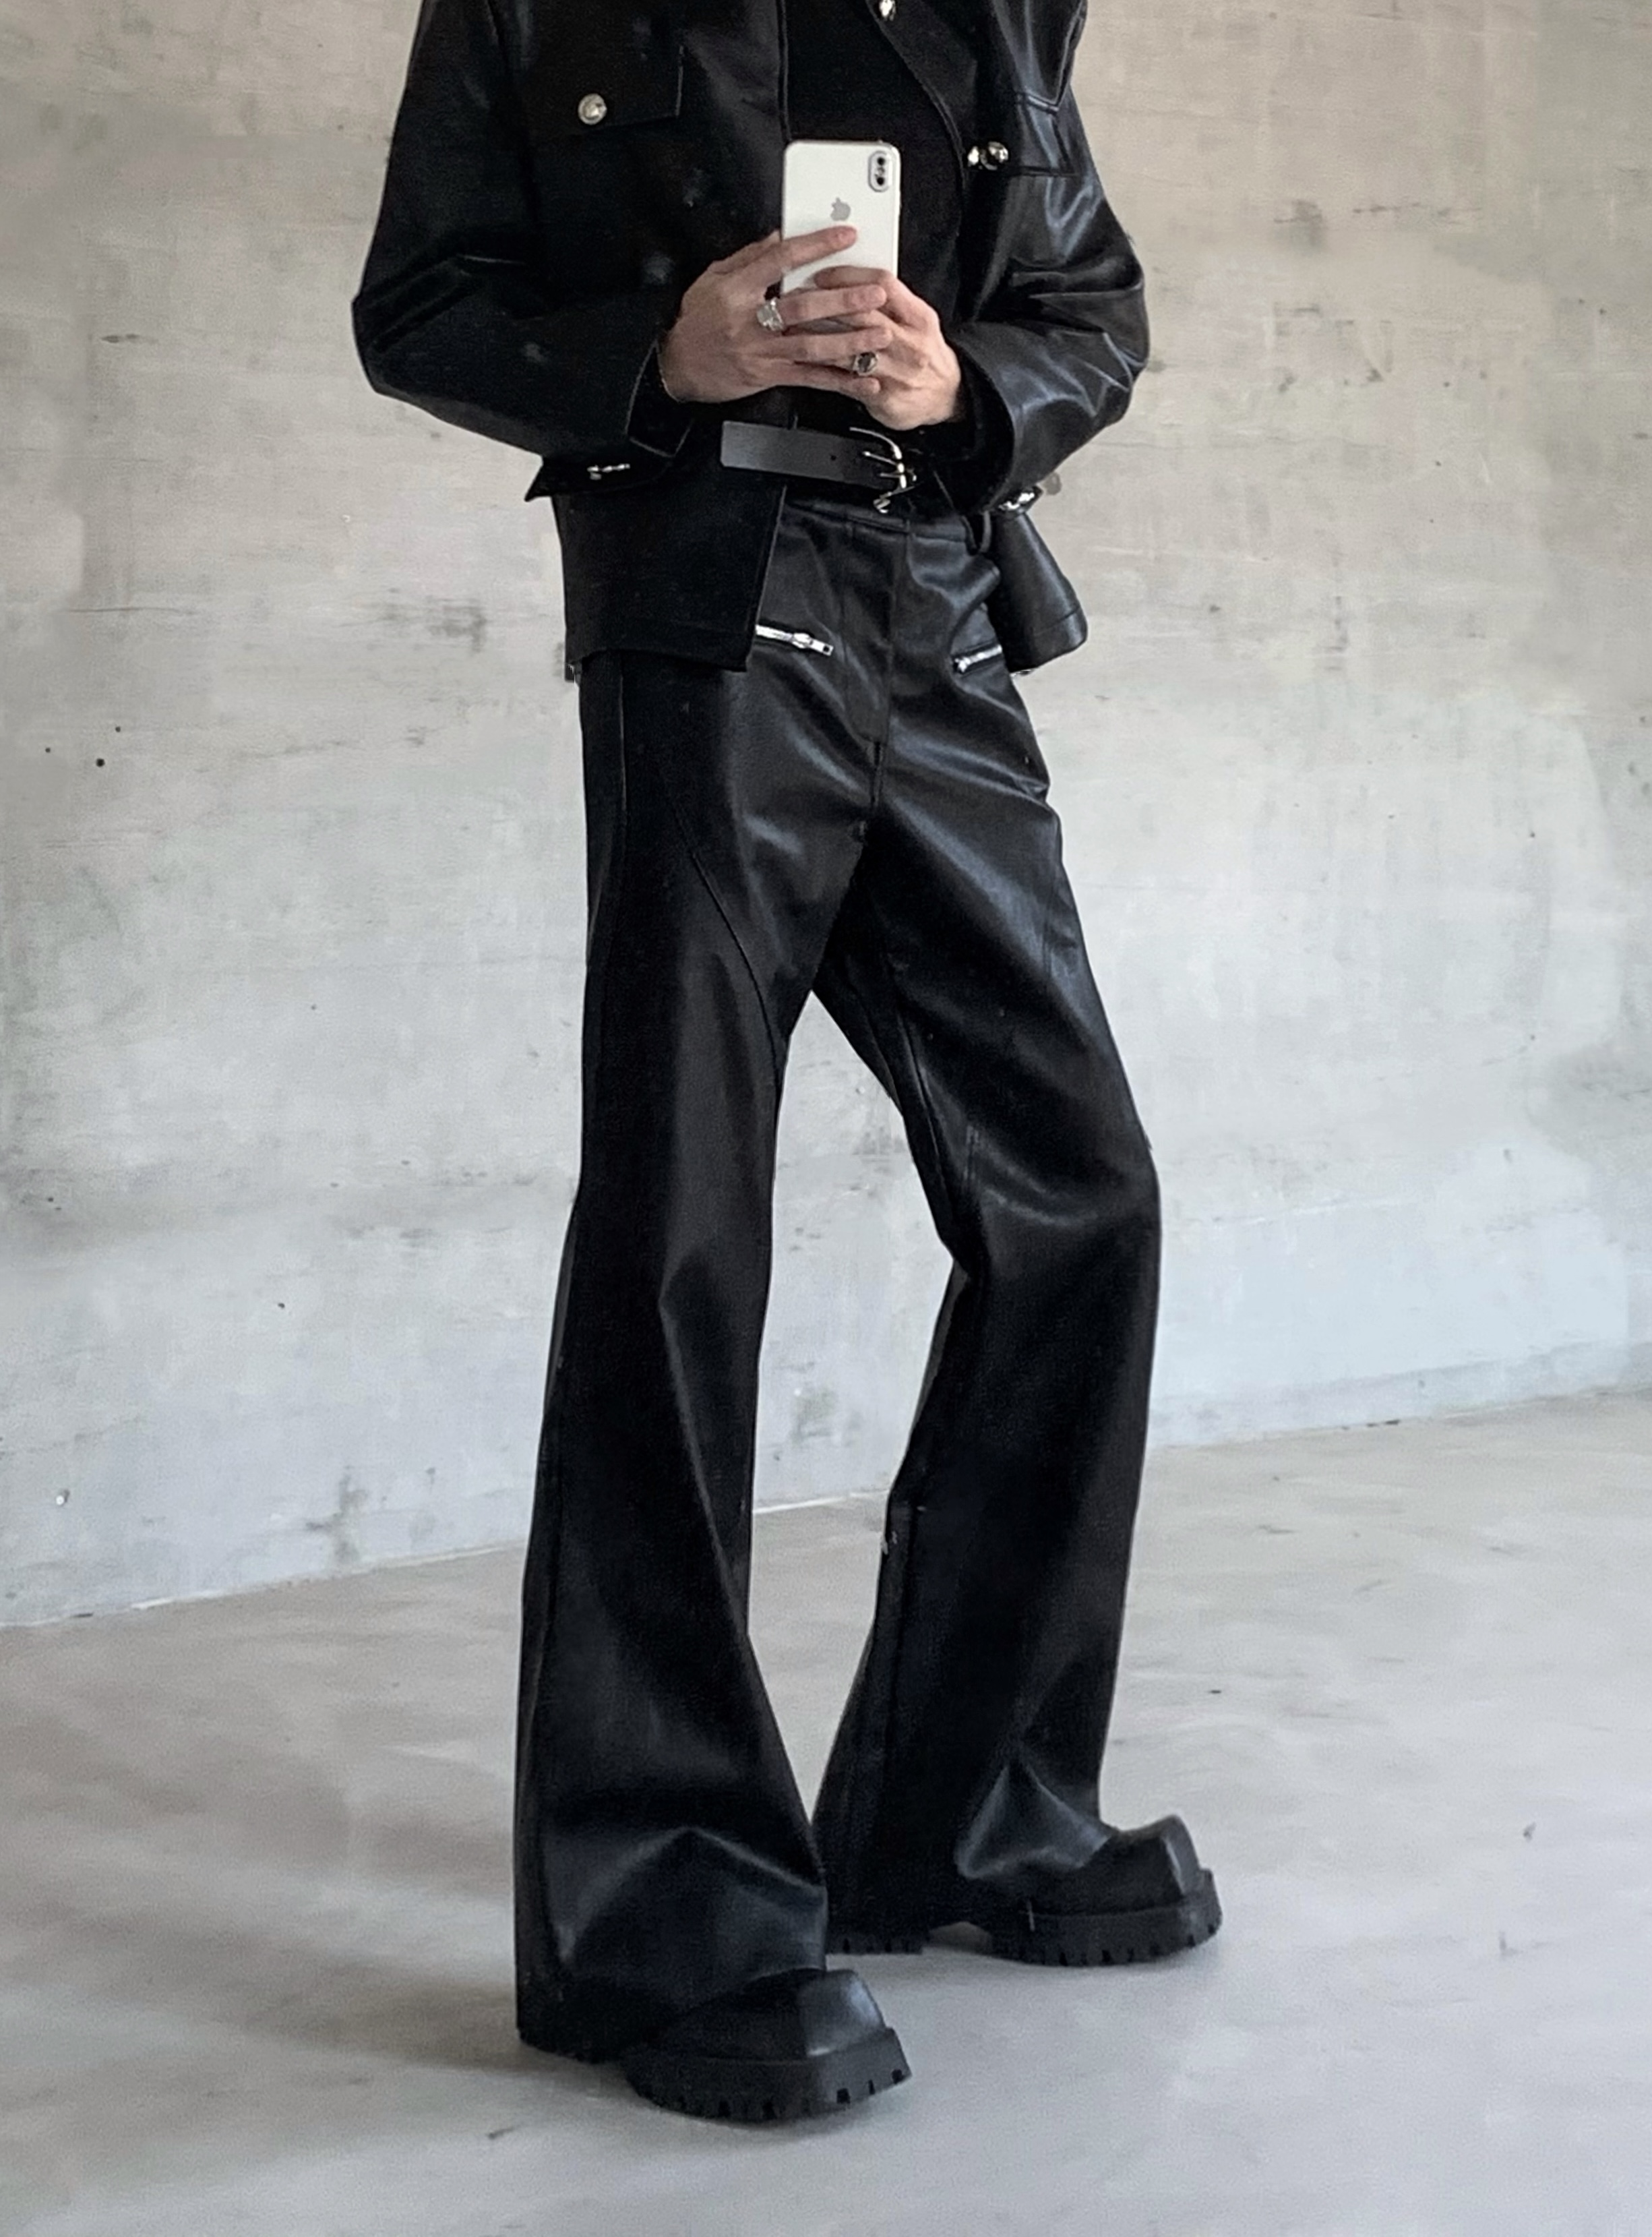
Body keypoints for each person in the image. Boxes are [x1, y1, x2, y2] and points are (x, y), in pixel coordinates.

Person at [354, 0, 1221, 2126]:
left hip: (936, 604)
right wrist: (664, 351)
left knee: (1079, 1198)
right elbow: (422, 304)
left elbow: (1091, 309)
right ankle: (664, 1917)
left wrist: (964, 386)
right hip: (705, 607)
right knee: (682, 1231)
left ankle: (965, 1814)